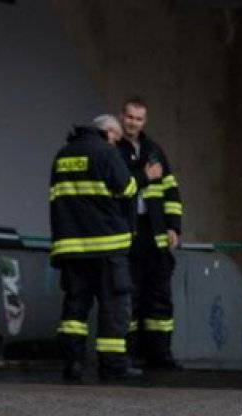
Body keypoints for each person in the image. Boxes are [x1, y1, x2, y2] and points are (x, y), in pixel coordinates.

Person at [49, 114, 150, 381]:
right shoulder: (104, 152)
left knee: (74, 310)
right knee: (114, 306)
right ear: (107, 132)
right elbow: (127, 188)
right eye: (116, 139)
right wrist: (144, 176)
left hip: (71, 247)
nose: (116, 144)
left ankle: (73, 365)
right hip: (106, 246)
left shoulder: (62, 155)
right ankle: (113, 366)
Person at [116, 96, 184, 369]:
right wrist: (144, 175)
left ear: (145, 121)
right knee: (129, 298)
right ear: (122, 117)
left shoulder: (155, 150)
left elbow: (172, 193)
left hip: (154, 235)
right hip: (127, 234)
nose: (133, 123)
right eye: (130, 117)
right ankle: (130, 355)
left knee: (159, 298)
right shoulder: (113, 150)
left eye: (139, 119)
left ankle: (160, 355)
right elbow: (119, 186)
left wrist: (173, 227)